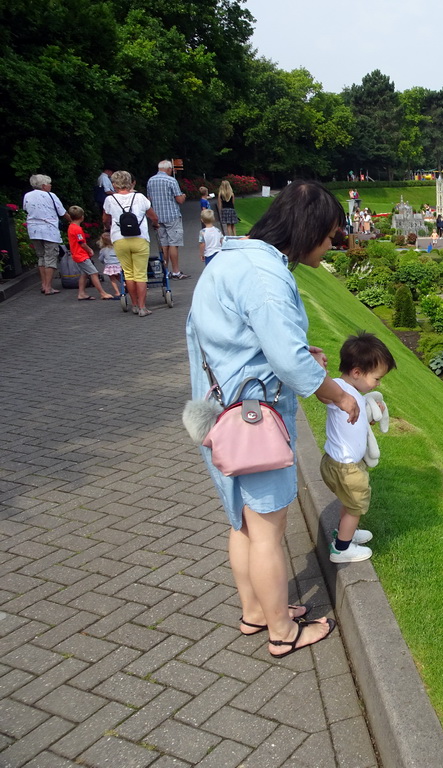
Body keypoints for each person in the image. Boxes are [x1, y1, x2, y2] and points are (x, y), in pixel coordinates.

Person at [186, 180, 360, 659]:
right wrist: (338, 398)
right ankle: (282, 630)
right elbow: (286, 360)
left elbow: (243, 338)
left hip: (225, 416)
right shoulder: (266, 276)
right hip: (254, 421)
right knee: (268, 534)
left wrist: (301, 351)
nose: (330, 247)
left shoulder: (231, 257)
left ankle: (256, 611)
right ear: (306, 231)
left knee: (243, 522)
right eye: (328, 237)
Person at [320, 332, 396, 564]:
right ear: (357, 373)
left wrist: (372, 417)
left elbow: (355, 421)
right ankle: (341, 549)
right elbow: (323, 393)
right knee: (356, 506)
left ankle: (346, 533)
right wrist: (319, 369)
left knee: (349, 501)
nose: (379, 383)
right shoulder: (339, 391)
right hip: (346, 467)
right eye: (376, 378)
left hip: (337, 462)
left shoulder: (352, 394)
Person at [104, 170, 159, 316]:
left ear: (114, 184)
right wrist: (156, 224)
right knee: (141, 275)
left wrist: (108, 226)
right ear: (129, 182)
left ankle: (134, 305)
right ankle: (142, 308)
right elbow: (153, 216)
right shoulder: (140, 197)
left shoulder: (110, 200)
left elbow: (105, 219)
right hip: (140, 239)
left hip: (120, 240)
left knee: (128, 274)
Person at [23, 174, 70, 295]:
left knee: (41, 256)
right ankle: (49, 287)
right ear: (44, 186)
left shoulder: (27, 195)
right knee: (50, 257)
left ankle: (43, 284)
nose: (50, 186)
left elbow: (26, 209)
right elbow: (62, 212)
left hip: (33, 229)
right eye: (49, 184)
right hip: (49, 230)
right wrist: (72, 220)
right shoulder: (51, 195)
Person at [147, 160, 189, 279]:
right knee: (173, 244)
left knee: (163, 244)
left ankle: (165, 271)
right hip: (172, 215)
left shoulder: (151, 181)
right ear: (169, 169)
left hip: (158, 216)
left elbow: (149, 199)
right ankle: (176, 271)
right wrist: (183, 196)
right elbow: (179, 200)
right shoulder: (171, 180)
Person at [67, 205, 114, 301]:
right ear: (82, 217)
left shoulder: (71, 227)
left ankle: (81, 293)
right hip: (81, 255)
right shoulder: (77, 229)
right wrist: (90, 250)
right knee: (94, 273)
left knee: (84, 274)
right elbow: (82, 243)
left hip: (77, 254)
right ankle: (102, 293)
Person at [97, 231, 122, 297]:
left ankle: (117, 292)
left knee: (112, 279)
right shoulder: (116, 248)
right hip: (118, 265)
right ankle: (125, 285)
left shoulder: (103, 250)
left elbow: (100, 259)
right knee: (119, 277)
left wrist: (104, 262)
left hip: (109, 266)